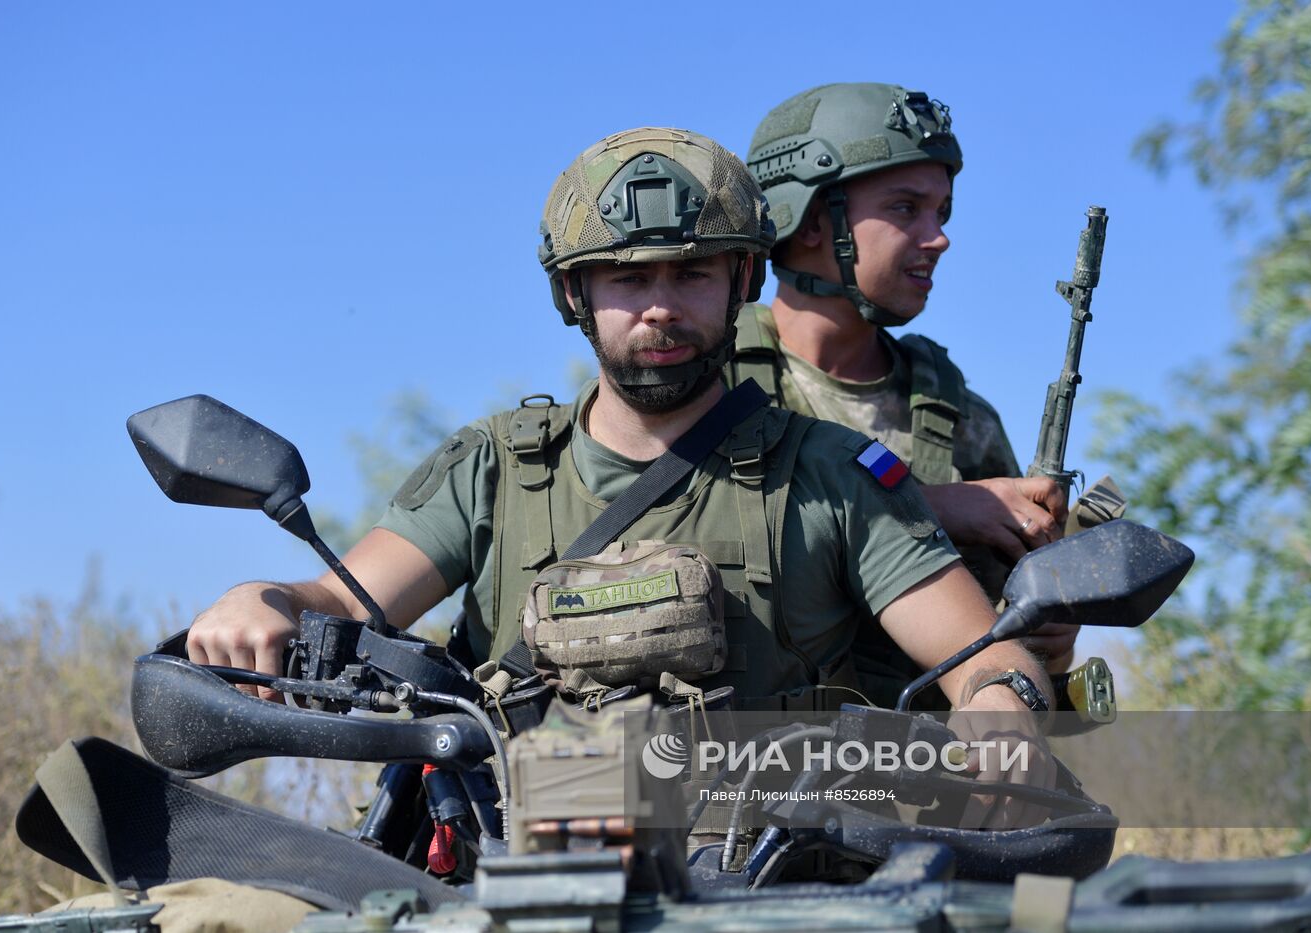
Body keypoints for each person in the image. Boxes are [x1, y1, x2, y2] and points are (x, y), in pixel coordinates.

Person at [188, 127, 1056, 822]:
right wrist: (261, 598)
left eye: (693, 273)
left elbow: (980, 655)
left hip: (771, 884)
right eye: (626, 277)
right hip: (519, 871)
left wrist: (1002, 706)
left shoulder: (830, 473)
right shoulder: (497, 466)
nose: (660, 306)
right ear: (575, 295)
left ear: (741, 278)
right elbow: (342, 601)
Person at [735, 83, 1077, 683]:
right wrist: (932, 507)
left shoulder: (959, 419)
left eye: (941, 211)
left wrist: (1053, 635)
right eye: (904, 208)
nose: (939, 236)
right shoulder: (709, 388)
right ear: (814, 219)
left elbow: (1015, 662)